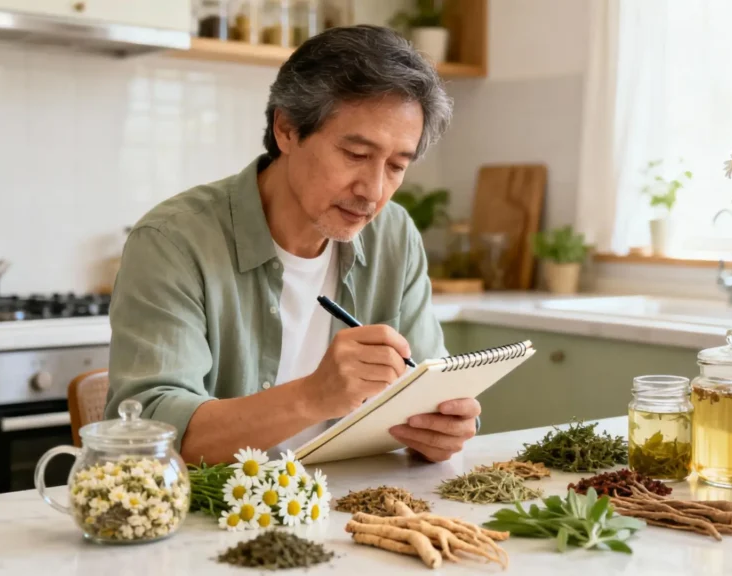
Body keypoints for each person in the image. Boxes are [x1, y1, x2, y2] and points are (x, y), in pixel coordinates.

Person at [105, 25, 480, 465]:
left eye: (397, 166)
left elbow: (430, 384)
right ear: (286, 129)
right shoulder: (174, 241)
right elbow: (149, 437)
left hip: (351, 507)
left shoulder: (393, 235)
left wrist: (445, 426)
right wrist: (312, 397)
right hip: (220, 518)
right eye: (356, 155)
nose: (374, 190)